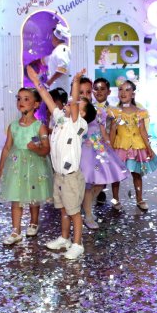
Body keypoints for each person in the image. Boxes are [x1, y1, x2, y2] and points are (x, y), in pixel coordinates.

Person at [28, 65, 92, 260]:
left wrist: (76, 82)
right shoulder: (62, 120)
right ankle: (64, 238)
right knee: (63, 209)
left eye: (77, 105)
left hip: (71, 178)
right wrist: (36, 82)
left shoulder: (78, 124)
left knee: (74, 212)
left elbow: (73, 102)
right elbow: (47, 98)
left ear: (82, 114)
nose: (70, 104)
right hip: (59, 175)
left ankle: (78, 244)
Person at [0, 87, 53, 245]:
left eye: (26, 99)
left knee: (33, 195)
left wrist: (35, 148)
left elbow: (46, 148)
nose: (21, 101)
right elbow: (7, 147)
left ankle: (34, 222)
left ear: (36, 104)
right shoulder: (13, 126)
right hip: (16, 167)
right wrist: (1, 167)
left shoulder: (39, 127)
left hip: (34, 166)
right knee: (16, 197)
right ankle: (16, 231)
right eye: (19, 98)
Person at [80, 89, 129, 229]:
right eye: (81, 93)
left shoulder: (99, 112)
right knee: (88, 184)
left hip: (99, 149)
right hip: (85, 151)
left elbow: (103, 132)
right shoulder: (77, 114)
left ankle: (86, 206)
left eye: (87, 92)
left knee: (102, 182)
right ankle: (88, 215)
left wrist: (109, 147)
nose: (85, 95)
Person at [109, 80, 157, 211]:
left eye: (127, 90)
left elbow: (143, 131)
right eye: (120, 89)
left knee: (137, 174)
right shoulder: (115, 112)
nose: (123, 92)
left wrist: (149, 148)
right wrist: (110, 148)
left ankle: (139, 199)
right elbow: (112, 131)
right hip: (120, 146)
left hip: (136, 147)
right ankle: (115, 199)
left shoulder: (139, 112)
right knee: (116, 175)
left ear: (133, 94)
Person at [92, 77, 115, 205]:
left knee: (104, 167)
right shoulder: (89, 108)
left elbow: (114, 128)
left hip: (106, 142)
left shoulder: (113, 110)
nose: (99, 91)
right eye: (96, 89)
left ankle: (100, 190)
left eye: (102, 89)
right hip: (91, 142)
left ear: (109, 92)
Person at [29, 23, 71, 92]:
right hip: (56, 88)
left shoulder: (62, 49)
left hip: (59, 88)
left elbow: (62, 68)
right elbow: (50, 59)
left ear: (57, 39)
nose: (51, 39)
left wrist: (49, 82)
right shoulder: (58, 50)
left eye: (53, 37)